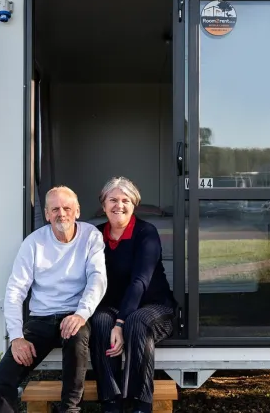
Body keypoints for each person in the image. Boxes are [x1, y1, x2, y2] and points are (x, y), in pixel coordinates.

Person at [0, 186, 108, 413]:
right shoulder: (33, 243)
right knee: (3, 376)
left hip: (74, 315)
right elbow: (15, 290)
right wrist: (16, 337)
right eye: (55, 209)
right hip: (41, 319)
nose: (61, 213)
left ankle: (70, 410)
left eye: (67, 208)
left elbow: (98, 278)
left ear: (77, 211)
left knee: (77, 339)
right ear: (46, 214)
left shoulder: (91, 236)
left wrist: (81, 314)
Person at [89, 177, 177, 413]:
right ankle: (111, 401)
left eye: (125, 200)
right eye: (113, 199)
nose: (119, 205)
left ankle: (140, 403)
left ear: (134, 204)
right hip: (114, 306)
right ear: (104, 205)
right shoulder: (96, 235)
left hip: (155, 306)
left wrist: (121, 323)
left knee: (136, 323)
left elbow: (140, 281)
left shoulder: (146, 232)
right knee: (99, 321)